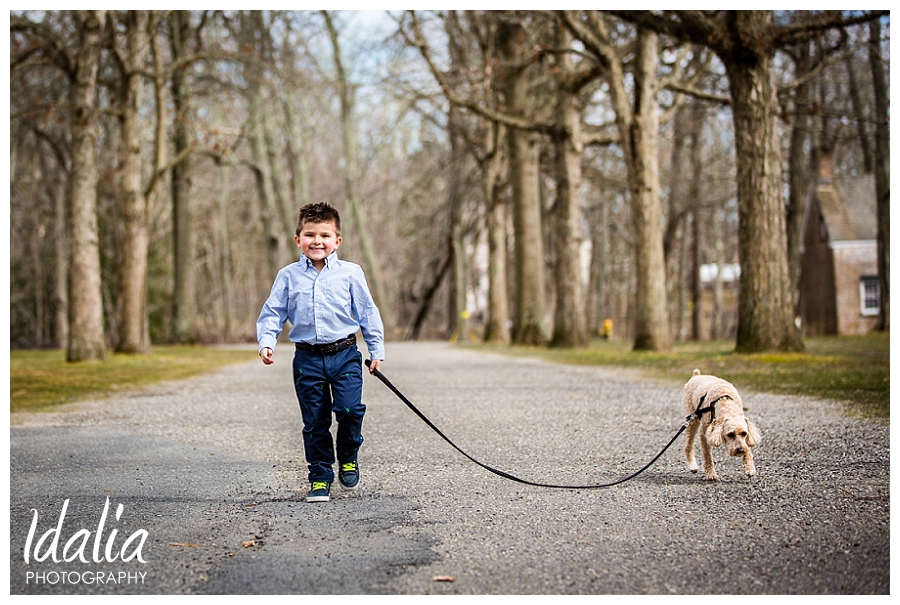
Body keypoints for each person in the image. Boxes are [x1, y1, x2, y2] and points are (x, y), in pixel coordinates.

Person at [257, 202, 385, 503]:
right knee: (315, 421)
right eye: (310, 234)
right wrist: (267, 341)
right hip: (307, 359)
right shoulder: (288, 276)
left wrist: (376, 349)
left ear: (337, 240)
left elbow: (367, 312)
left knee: (350, 411)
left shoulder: (351, 273)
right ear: (297, 239)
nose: (317, 241)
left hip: (345, 354)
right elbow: (273, 312)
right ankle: (319, 476)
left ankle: (349, 455)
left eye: (325, 235)